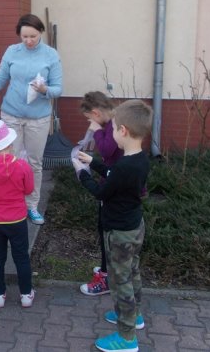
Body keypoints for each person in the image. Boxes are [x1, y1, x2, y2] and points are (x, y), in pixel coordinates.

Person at [72, 100, 152, 352]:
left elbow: (101, 192)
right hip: (134, 226)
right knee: (132, 272)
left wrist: (82, 173)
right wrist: (94, 162)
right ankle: (135, 316)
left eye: (114, 128)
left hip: (119, 232)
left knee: (120, 282)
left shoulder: (125, 166)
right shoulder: (139, 159)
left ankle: (127, 338)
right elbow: (115, 176)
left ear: (123, 131)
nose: (111, 133)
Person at [0, 13, 63, 225]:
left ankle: (32, 205)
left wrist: (44, 90)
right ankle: (12, 203)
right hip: (11, 114)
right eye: (24, 36)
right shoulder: (12, 51)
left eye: (33, 36)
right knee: (9, 161)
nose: (29, 41)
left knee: (34, 162)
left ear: (40, 32)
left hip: (38, 118)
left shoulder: (51, 55)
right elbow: (0, 80)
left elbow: (58, 89)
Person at [0, 120, 35, 308]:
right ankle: (26, 294)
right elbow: (29, 190)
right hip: (17, 218)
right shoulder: (22, 166)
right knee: (21, 257)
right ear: (10, 144)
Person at [78, 91, 123, 297]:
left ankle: (106, 278)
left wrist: (96, 131)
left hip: (113, 187)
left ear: (96, 113)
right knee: (103, 228)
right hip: (113, 179)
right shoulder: (114, 121)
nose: (90, 123)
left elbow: (106, 151)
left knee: (105, 231)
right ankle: (107, 268)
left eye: (90, 118)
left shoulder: (114, 124)